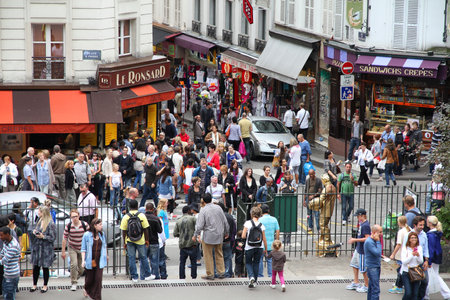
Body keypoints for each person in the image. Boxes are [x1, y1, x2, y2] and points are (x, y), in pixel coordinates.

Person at [193, 193, 229, 280]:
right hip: (219, 234)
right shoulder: (218, 208)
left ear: (203, 201)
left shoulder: (203, 210)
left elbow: (200, 225)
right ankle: (221, 272)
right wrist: (226, 232)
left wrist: (195, 234)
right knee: (219, 253)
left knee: (208, 255)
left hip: (208, 235)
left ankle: (210, 273)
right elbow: (225, 221)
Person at [120, 199, 153, 282]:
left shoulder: (126, 217)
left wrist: (124, 242)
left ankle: (134, 276)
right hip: (140, 240)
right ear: (137, 206)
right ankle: (147, 275)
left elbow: (124, 231)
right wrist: (147, 240)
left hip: (130, 240)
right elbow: (146, 229)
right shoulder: (141, 215)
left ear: (129, 207)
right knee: (143, 257)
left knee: (131, 258)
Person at [402, 216, 430, 300]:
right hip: (409, 266)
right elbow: (405, 249)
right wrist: (411, 255)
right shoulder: (408, 235)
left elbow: (426, 249)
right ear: (415, 225)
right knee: (409, 292)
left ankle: (419, 297)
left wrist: (426, 261)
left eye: (423, 225)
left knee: (425, 281)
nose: (422, 227)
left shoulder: (424, 234)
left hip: (419, 263)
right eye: (420, 225)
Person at [30, 205, 56, 293]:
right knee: (36, 267)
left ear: (43, 213)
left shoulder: (51, 223)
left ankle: (45, 285)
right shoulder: (39, 220)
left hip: (46, 249)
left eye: (39, 211)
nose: (38, 212)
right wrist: (35, 232)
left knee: (45, 268)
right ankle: (34, 285)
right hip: (37, 248)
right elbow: (35, 229)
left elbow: (52, 238)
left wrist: (43, 236)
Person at [61, 209, 89, 291]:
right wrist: (63, 251)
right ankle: (74, 283)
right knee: (74, 264)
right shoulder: (68, 226)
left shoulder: (84, 224)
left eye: (76, 216)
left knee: (81, 268)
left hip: (82, 248)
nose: (74, 218)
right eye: (72, 217)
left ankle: (76, 276)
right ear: (70, 217)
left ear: (79, 216)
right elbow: (64, 238)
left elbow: (89, 235)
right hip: (72, 247)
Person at [241, 206, 268, 288]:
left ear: (251, 214)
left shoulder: (247, 223)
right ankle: (254, 281)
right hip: (259, 247)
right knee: (256, 263)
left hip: (249, 247)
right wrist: (266, 249)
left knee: (248, 262)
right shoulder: (262, 225)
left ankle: (251, 277)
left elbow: (243, 236)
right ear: (260, 215)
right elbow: (264, 239)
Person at [81, 218, 107, 300]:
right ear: (95, 226)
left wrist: (106, 255)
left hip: (100, 259)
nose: (101, 226)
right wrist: (83, 260)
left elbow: (104, 246)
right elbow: (83, 249)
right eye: (100, 224)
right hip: (90, 260)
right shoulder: (87, 235)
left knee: (98, 279)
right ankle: (86, 288)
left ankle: (97, 297)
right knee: (90, 279)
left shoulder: (102, 234)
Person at [346, 208, 370, 293]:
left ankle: (367, 286)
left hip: (363, 250)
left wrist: (355, 240)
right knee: (354, 264)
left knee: (363, 269)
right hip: (358, 248)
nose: (357, 218)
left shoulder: (365, 225)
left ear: (362, 216)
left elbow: (367, 238)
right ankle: (356, 282)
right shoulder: (361, 224)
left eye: (358, 216)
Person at [426, 216, 450, 299]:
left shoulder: (431, 235)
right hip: (437, 256)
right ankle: (446, 294)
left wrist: (429, 261)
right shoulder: (436, 233)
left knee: (432, 275)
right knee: (435, 275)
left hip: (433, 257)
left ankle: (426, 295)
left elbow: (431, 248)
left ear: (430, 223)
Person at [173, 206, 198, 279]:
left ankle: (182, 277)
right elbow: (197, 229)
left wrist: (181, 235)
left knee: (182, 262)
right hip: (192, 243)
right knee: (193, 262)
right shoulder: (193, 219)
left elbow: (175, 234)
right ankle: (193, 276)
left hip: (183, 244)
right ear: (189, 211)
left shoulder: (179, 220)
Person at [388, 216, 410, 294]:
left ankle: (399, 286)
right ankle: (401, 284)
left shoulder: (401, 232)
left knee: (399, 270)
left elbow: (398, 244)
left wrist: (393, 254)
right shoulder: (409, 229)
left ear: (400, 222)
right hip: (407, 253)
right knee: (403, 270)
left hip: (401, 254)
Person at [259, 204, 280, 278]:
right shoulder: (274, 219)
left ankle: (260, 276)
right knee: (270, 260)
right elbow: (277, 231)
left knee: (260, 260)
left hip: (261, 244)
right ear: (269, 211)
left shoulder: (259, 220)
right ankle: (271, 276)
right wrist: (276, 241)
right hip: (271, 244)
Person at [0, 227, 21, 300]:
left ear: (7, 234)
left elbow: (5, 260)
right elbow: (2, 252)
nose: (0, 237)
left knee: (9, 296)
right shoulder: (6, 242)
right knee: (6, 293)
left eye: (2, 235)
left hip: (12, 275)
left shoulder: (13, 245)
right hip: (7, 274)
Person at [401, 232, 423, 300]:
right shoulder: (405, 248)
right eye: (412, 238)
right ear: (409, 239)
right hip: (406, 272)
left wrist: (418, 255)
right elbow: (404, 261)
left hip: (415, 272)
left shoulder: (419, 248)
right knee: (408, 293)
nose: (414, 239)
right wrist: (412, 255)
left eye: (415, 238)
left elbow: (420, 261)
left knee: (415, 293)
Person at [364, 224, 383, 300]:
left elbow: (376, 253)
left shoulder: (373, 241)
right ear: (375, 232)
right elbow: (377, 252)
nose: (381, 234)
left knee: (371, 287)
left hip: (376, 265)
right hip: (373, 267)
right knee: (376, 289)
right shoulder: (369, 242)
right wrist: (378, 242)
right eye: (380, 232)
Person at [144, 203, 162, 279]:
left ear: (145, 209)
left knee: (144, 260)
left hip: (144, 242)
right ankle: (155, 276)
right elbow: (160, 231)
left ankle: (144, 275)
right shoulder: (156, 218)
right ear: (152, 209)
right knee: (154, 261)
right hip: (154, 241)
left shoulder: (142, 218)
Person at [304, 169, 323, 234]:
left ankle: (319, 228)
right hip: (308, 199)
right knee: (309, 214)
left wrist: (313, 196)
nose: (311, 175)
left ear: (314, 173)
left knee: (317, 214)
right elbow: (306, 190)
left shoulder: (318, 180)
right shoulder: (307, 180)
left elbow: (320, 190)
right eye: (310, 174)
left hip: (315, 199)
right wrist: (304, 200)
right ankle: (310, 226)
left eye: (312, 174)